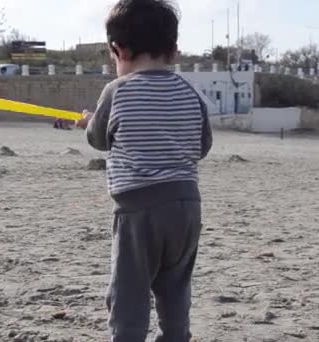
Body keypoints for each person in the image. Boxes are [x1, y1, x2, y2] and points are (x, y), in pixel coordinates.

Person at [76, 0, 213, 341]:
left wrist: (89, 121)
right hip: (187, 207)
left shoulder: (117, 91)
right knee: (175, 286)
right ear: (174, 51)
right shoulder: (191, 93)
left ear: (118, 49)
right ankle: (176, 336)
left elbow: (99, 139)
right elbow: (202, 147)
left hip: (138, 211)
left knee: (130, 293)